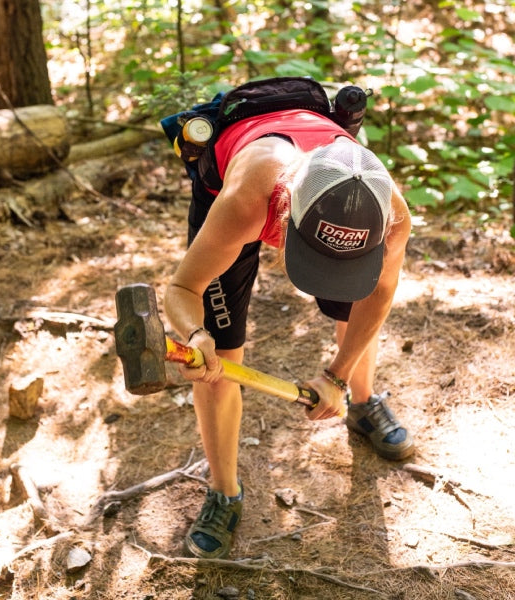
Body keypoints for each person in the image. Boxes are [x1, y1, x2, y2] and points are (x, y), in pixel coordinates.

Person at [163, 106, 414, 560]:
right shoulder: (244, 200)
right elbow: (182, 288)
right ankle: (224, 492)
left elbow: (377, 297)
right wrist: (195, 334)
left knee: (352, 309)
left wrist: (337, 377)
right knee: (222, 352)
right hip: (242, 182)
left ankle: (362, 403)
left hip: (316, 201)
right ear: (288, 216)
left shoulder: (389, 212)